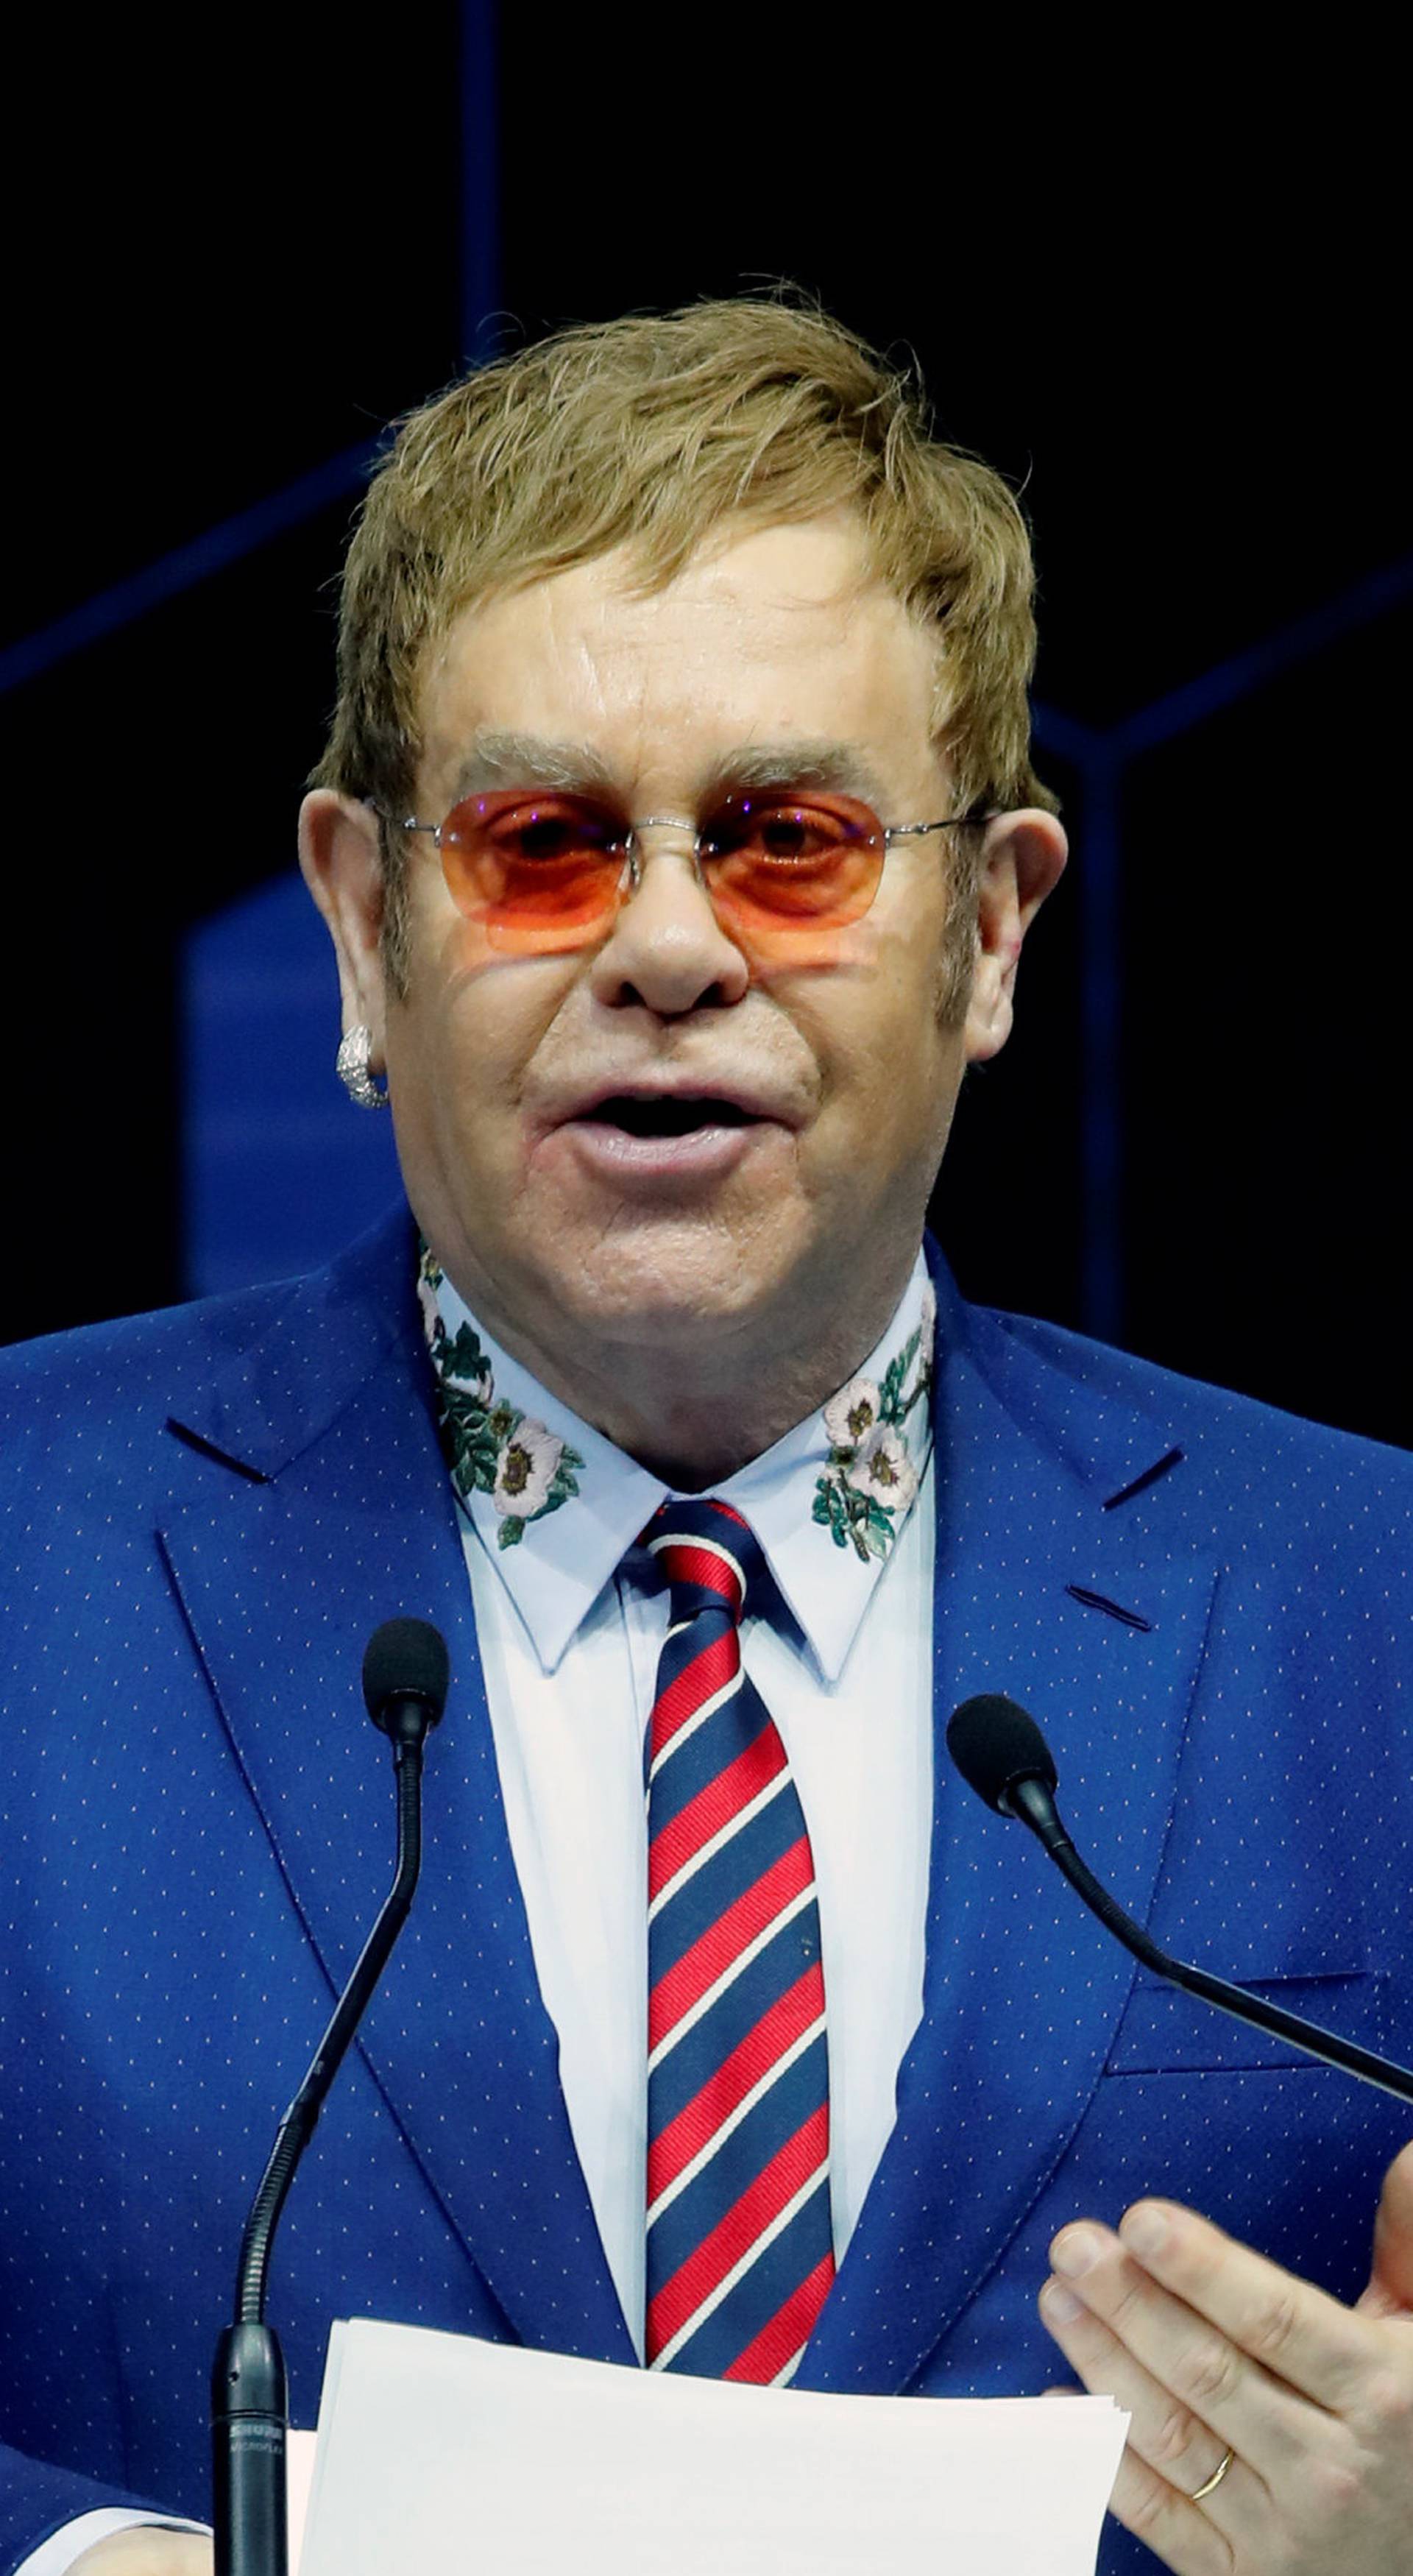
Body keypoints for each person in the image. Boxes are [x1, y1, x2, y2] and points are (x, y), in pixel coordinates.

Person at [2, 297, 1412, 2576]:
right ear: (365, 929)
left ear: (987, 928)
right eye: (545, 842)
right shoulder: (18, 1555)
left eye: (789, 841)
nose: (666, 947)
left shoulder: (1378, 1602)